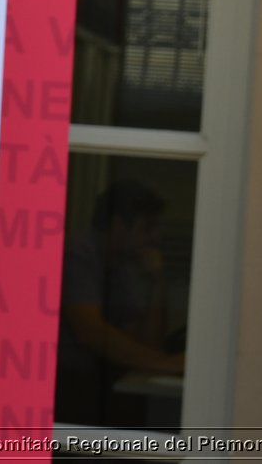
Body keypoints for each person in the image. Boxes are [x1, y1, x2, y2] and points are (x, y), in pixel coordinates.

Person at [53, 178, 184, 428]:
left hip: (98, 380)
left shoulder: (125, 264)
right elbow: (90, 332)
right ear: (117, 225)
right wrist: (164, 363)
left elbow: (144, 342)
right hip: (64, 383)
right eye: (148, 227)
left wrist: (157, 281)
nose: (155, 238)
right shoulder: (79, 254)